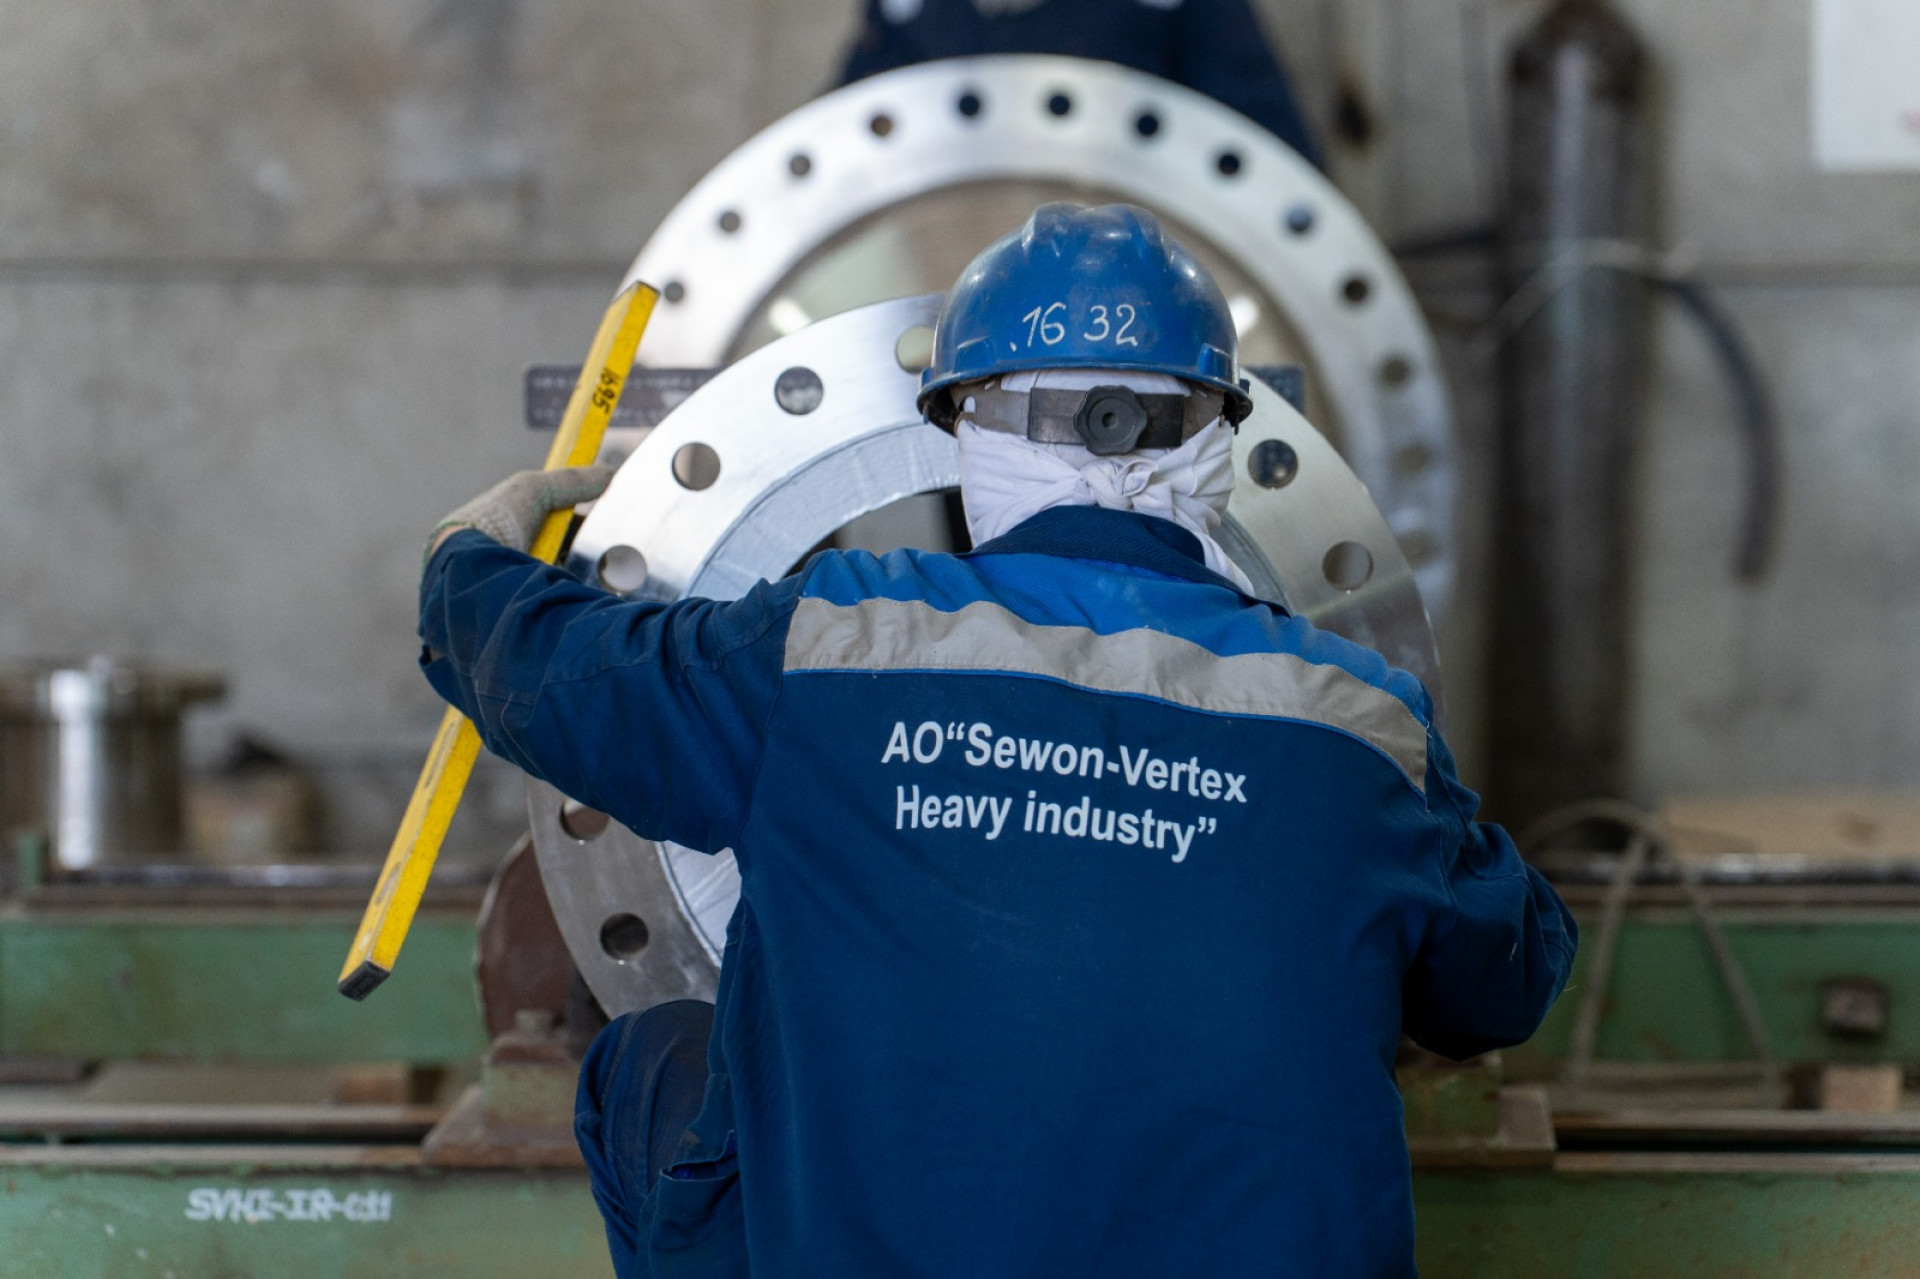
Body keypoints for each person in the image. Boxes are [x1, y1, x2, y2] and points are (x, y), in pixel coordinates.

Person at [417, 203, 1576, 1278]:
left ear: (967, 429)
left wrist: (472, 548)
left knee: (652, 1061)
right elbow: (1508, 981)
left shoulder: (827, 649)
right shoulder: (1358, 721)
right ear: (1216, 436)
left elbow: (537, 666)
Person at [838, 0, 1325, 167]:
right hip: (949, 275)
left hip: (1134, 295)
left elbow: (1270, 161)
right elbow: (844, 137)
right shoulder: (909, 11)